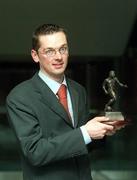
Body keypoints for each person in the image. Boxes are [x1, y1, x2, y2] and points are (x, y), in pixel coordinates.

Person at [6, 24, 123, 180]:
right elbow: (34, 152)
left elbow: (80, 145)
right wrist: (86, 133)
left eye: (63, 49)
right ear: (35, 55)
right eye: (49, 51)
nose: (58, 57)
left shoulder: (78, 91)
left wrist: (102, 132)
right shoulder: (20, 97)